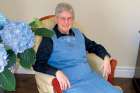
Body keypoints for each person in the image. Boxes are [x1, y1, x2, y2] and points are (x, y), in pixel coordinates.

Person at [33, 2, 122, 93]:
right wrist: (57, 72)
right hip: (69, 83)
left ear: (73, 20)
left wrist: (106, 57)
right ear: (56, 19)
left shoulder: (78, 34)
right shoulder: (49, 38)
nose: (66, 22)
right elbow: (38, 64)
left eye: (69, 18)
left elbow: (94, 46)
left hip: (89, 77)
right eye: (63, 18)